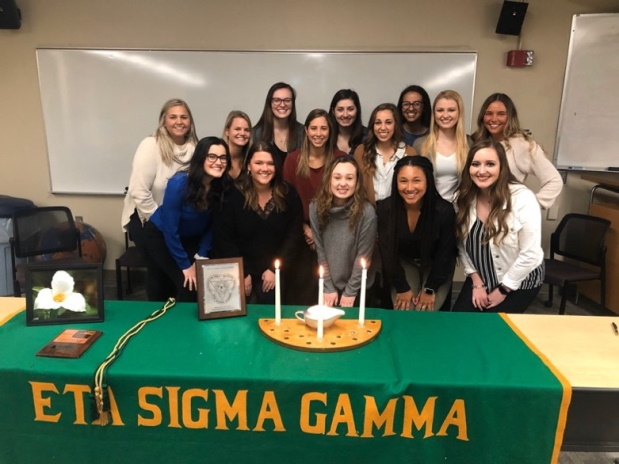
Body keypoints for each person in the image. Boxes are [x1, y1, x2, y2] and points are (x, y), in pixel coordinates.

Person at [120, 98, 199, 300]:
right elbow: (139, 191)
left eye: (184, 117)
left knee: (163, 273)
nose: (178, 121)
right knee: (168, 271)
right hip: (146, 220)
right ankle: (157, 317)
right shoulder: (150, 145)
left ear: (190, 121)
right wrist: (162, 224)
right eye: (173, 117)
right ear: (164, 120)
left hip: (173, 222)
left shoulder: (195, 148)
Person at [453, 140, 544, 313]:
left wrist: (504, 289)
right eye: (475, 164)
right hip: (481, 276)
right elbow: (461, 244)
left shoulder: (522, 198)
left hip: (519, 281)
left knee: (494, 329)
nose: (481, 171)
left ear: (502, 167)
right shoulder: (462, 198)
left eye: (490, 164)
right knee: (459, 324)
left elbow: (530, 254)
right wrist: (476, 281)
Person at [213, 142, 303, 304]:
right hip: (238, 271)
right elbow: (225, 238)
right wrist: (242, 271)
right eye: (259, 163)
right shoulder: (232, 195)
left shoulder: (288, 194)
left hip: (275, 272)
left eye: (270, 163)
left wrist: (275, 270)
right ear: (249, 166)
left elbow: (293, 235)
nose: (265, 168)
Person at [143, 137, 230, 302]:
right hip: (160, 236)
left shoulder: (221, 185)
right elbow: (170, 229)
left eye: (223, 157)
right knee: (186, 284)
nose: (218, 162)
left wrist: (202, 255)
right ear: (200, 158)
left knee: (197, 284)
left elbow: (213, 224)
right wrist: (185, 266)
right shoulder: (179, 183)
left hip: (190, 239)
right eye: (212, 156)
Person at [283, 109, 347, 304]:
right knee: (302, 291)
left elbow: (347, 199)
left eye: (323, 128)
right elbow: (286, 201)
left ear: (330, 131)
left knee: (329, 293)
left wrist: (318, 233)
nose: (318, 133)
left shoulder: (340, 158)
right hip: (300, 234)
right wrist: (305, 229)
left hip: (332, 233)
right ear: (306, 131)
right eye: (314, 128)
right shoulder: (293, 159)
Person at [377, 156, 457, 311]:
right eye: (403, 181)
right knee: (405, 310)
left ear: (428, 180)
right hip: (404, 262)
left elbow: (445, 255)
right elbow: (388, 253)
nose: (409, 187)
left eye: (416, 180)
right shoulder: (385, 209)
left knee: (425, 311)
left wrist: (430, 289)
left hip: (436, 266)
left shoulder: (444, 211)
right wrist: (402, 287)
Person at [472, 93, 563, 209]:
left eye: (501, 114)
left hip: (505, 217)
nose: (493, 119)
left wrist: (530, 207)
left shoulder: (523, 145)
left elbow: (554, 180)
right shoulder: (476, 142)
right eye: (488, 114)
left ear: (510, 117)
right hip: (477, 213)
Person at [310, 157, 377, 307]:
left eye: (349, 178)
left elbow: (364, 256)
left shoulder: (367, 213)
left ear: (357, 182)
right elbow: (320, 252)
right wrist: (328, 286)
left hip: (359, 285)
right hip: (327, 283)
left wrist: (350, 292)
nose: (343, 183)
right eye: (337, 177)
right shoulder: (315, 208)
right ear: (329, 180)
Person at [413, 90, 470, 203]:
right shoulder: (420, 144)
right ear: (434, 113)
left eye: (451, 110)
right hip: (428, 210)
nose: (445, 115)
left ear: (459, 112)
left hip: (460, 211)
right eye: (440, 110)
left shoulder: (470, 144)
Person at [353, 103, 416, 205]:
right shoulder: (361, 151)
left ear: (396, 125)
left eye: (388, 122)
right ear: (372, 126)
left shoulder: (409, 153)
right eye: (378, 123)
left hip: (397, 214)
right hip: (367, 214)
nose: (383, 127)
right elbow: (356, 187)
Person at [252, 82, 304, 163]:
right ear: (270, 103)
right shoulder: (256, 134)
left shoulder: (303, 132)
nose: (282, 104)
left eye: (287, 100)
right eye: (277, 100)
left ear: (293, 103)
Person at [328, 89, 366, 155]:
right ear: (333, 112)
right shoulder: (326, 136)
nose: (345, 115)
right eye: (340, 110)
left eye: (350, 109)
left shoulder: (368, 137)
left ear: (357, 110)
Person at [222, 110, 252, 179]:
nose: (242, 133)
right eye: (237, 129)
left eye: (247, 130)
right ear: (227, 132)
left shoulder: (250, 160)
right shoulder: (218, 159)